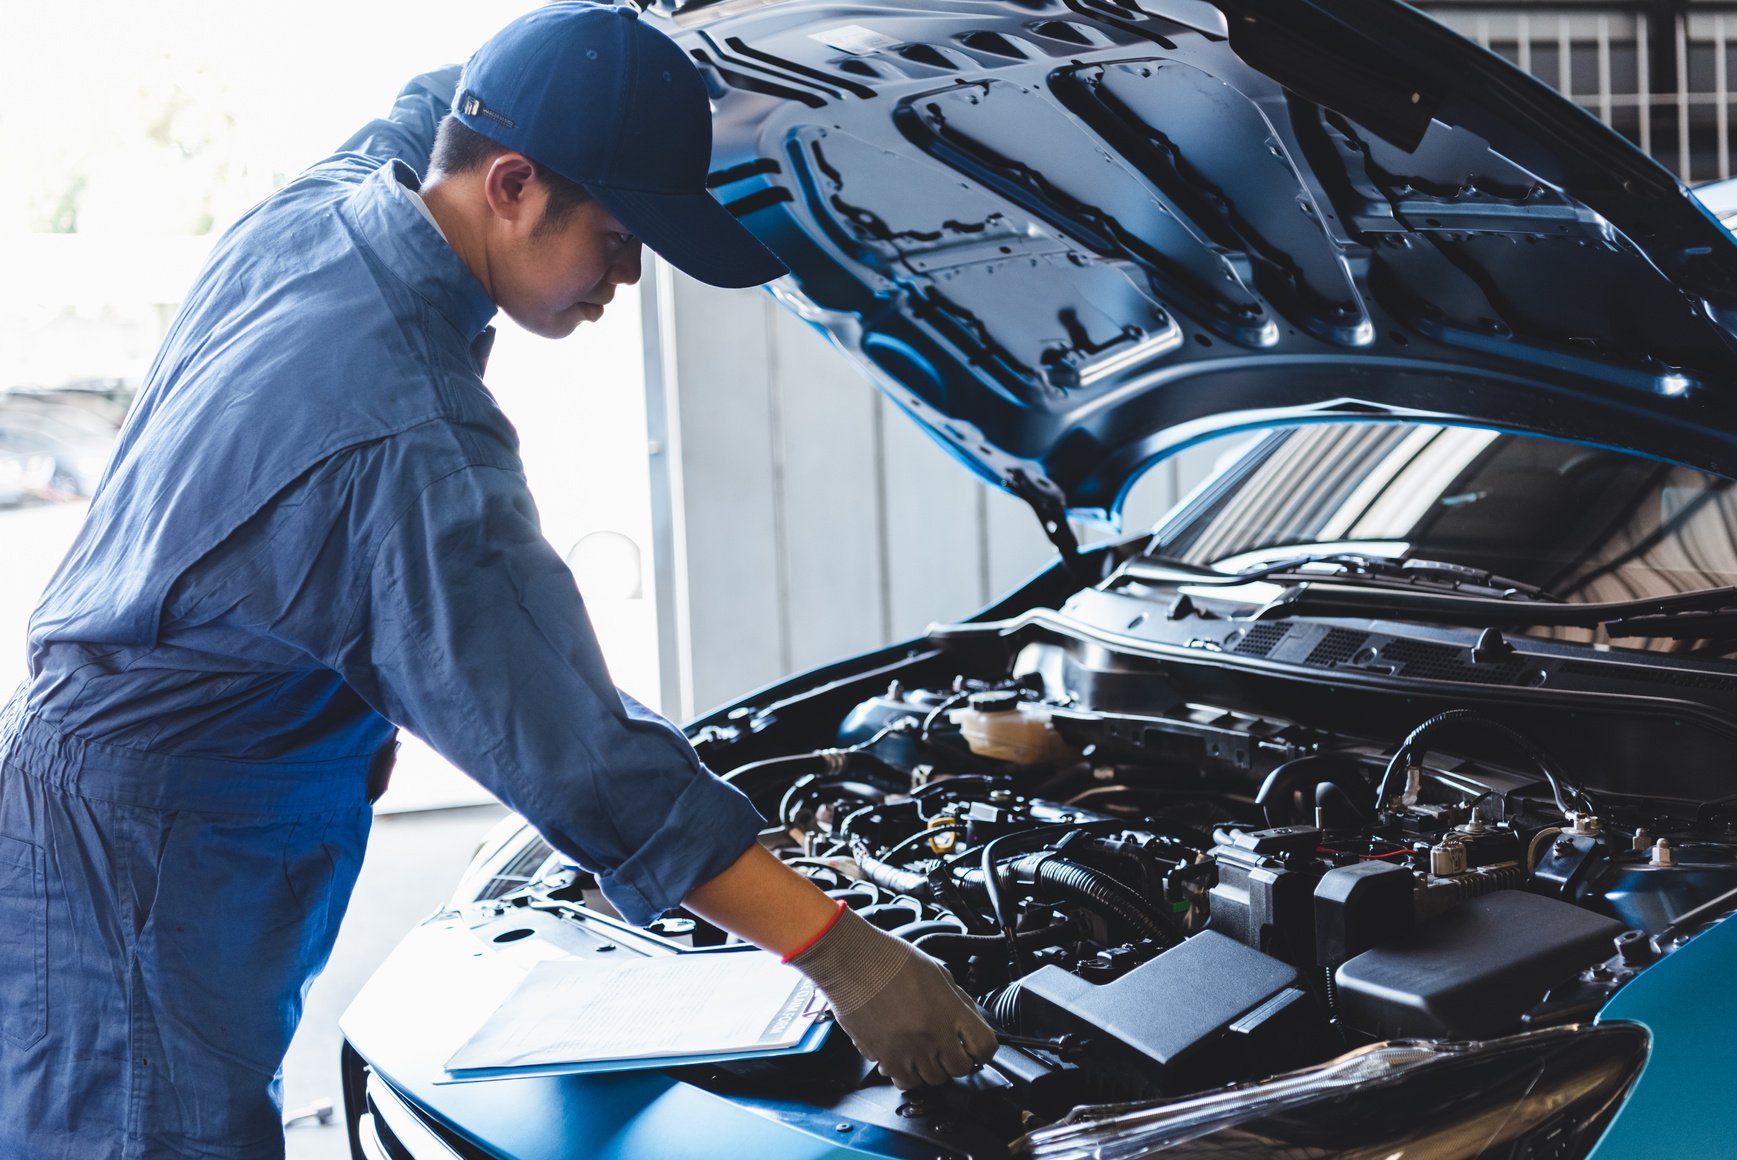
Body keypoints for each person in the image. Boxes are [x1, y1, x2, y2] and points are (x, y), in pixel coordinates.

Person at [0, 5, 997, 1157]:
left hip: (137, 824)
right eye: (621, 235)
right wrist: (842, 951)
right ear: (514, 186)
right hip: (133, 866)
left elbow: (446, 100)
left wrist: (623, 49)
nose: (627, 275)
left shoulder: (330, 209)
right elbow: (579, 750)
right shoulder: (405, 442)